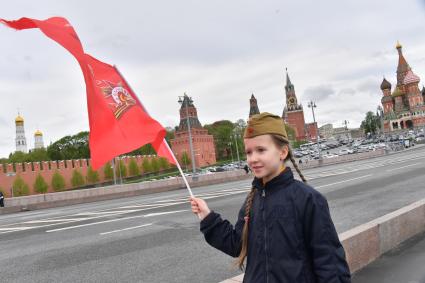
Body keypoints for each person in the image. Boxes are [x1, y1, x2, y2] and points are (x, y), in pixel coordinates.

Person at [190, 112, 350, 283]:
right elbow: (237, 244)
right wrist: (207, 217)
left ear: (282, 152)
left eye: (261, 150)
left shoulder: (308, 199)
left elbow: (330, 263)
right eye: (249, 152)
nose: (253, 159)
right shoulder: (252, 201)